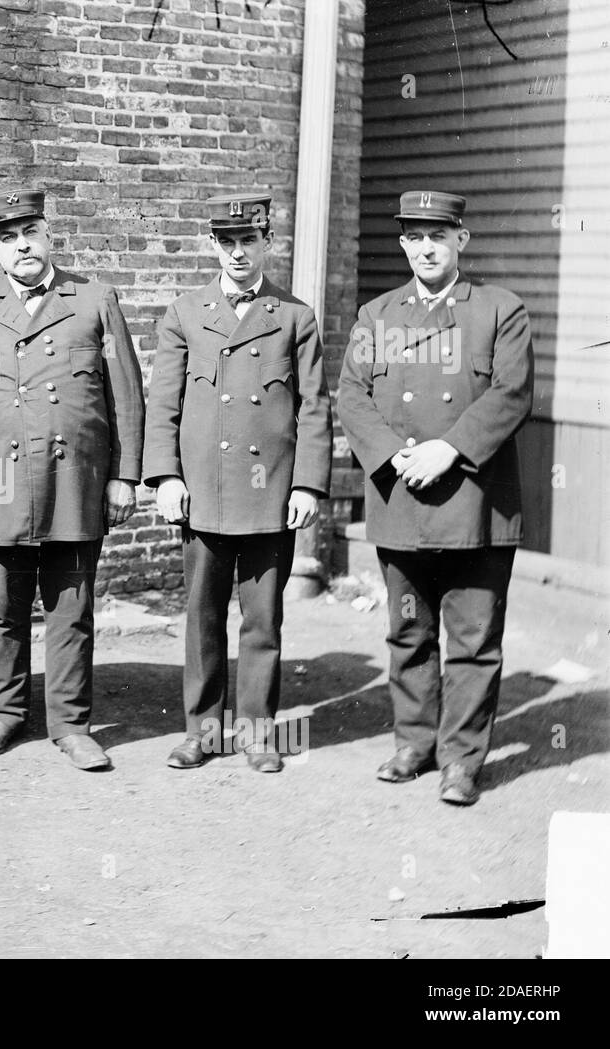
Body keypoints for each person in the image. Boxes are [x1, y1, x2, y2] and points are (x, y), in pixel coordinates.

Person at [337, 190, 533, 806]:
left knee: (474, 641)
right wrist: (396, 453)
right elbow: (352, 396)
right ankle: (415, 744)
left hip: (475, 503)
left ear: (460, 242)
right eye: (414, 237)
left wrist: (448, 449)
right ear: (402, 244)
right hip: (402, 499)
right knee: (409, 632)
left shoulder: (501, 310)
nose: (425, 247)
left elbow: (511, 393)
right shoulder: (378, 318)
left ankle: (461, 761)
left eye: (438, 236)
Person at [0, 188, 144, 770]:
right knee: (2, 607)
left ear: (49, 235)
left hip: (75, 483)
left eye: (31, 232)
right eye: (8, 237)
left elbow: (125, 396)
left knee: (70, 606)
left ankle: (71, 723)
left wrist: (124, 477)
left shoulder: (93, 300)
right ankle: (3, 714)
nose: (22, 245)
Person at [142, 192, 332, 772]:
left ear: (267, 243)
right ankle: (201, 729)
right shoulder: (185, 312)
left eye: (248, 241)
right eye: (226, 242)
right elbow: (163, 404)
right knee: (202, 616)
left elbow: (313, 408)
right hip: (203, 493)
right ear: (213, 247)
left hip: (270, 493)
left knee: (263, 619)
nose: (238, 253)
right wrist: (165, 477)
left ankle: (255, 731)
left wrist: (306, 486)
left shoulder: (295, 317)